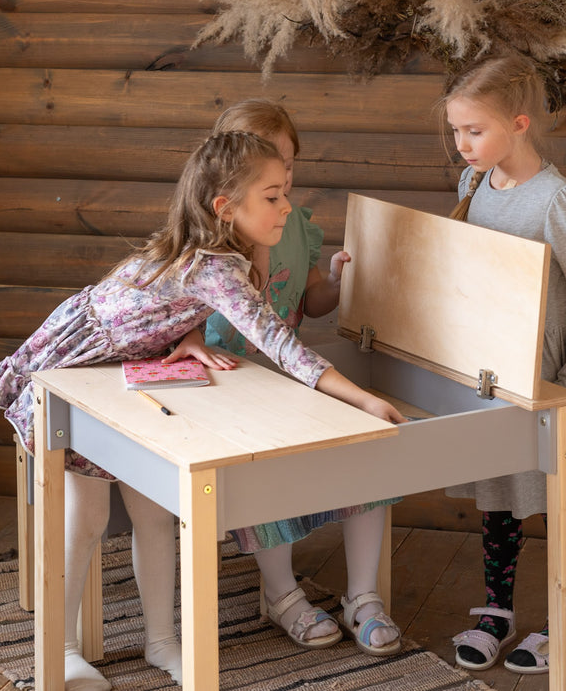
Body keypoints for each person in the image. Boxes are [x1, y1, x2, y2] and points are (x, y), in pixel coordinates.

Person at [0, 130, 404, 691]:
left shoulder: (219, 254)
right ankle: (59, 652)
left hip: (136, 367)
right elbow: (281, 345)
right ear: (226, 208)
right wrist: (366, 399)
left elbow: (182, 305)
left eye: (284, 193)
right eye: (273, 196)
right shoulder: (215, 265)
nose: (286, 206)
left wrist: (192, 333)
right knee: (84, 518)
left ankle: (161, 642)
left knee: (155, 514)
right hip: (82, 370)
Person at [167, 99, 405, 657]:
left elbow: (310, 300)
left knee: (364, 451)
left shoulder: (295, 225)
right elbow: (177, 309)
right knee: (263, 470)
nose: (284, 181)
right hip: (231, 381)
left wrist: (338, 284)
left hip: (296, 373)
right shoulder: (205, 240)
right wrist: (192, 339)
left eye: (289, 166)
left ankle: (363, 596)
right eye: (270, 167)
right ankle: (282, 595)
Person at [439, 53, 566, 675]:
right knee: (499, 495)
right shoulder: (474, 184)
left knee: (559, 500)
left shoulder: (558, 201)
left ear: (517, 123)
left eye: (474, 130)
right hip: (494, 374)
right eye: (456, 130)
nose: (462, 144)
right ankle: (497, 612)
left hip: (551, 378)